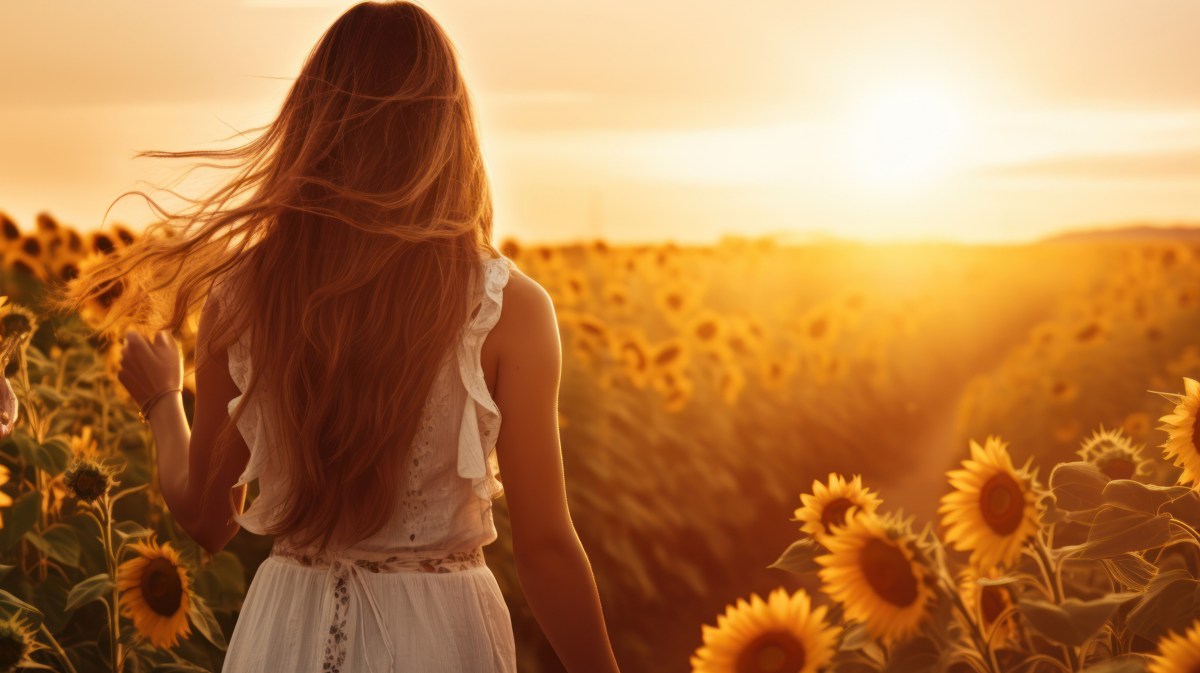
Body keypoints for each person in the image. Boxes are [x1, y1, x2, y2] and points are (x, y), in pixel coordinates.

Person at [50, 2, 621, 671]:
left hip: (287, 625)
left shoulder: (247, 293)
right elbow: (547, 546)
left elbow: (209, 518)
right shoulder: (508, 308)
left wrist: (162, 403)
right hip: (438, 631)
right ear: (448, 129)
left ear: (314, 126)